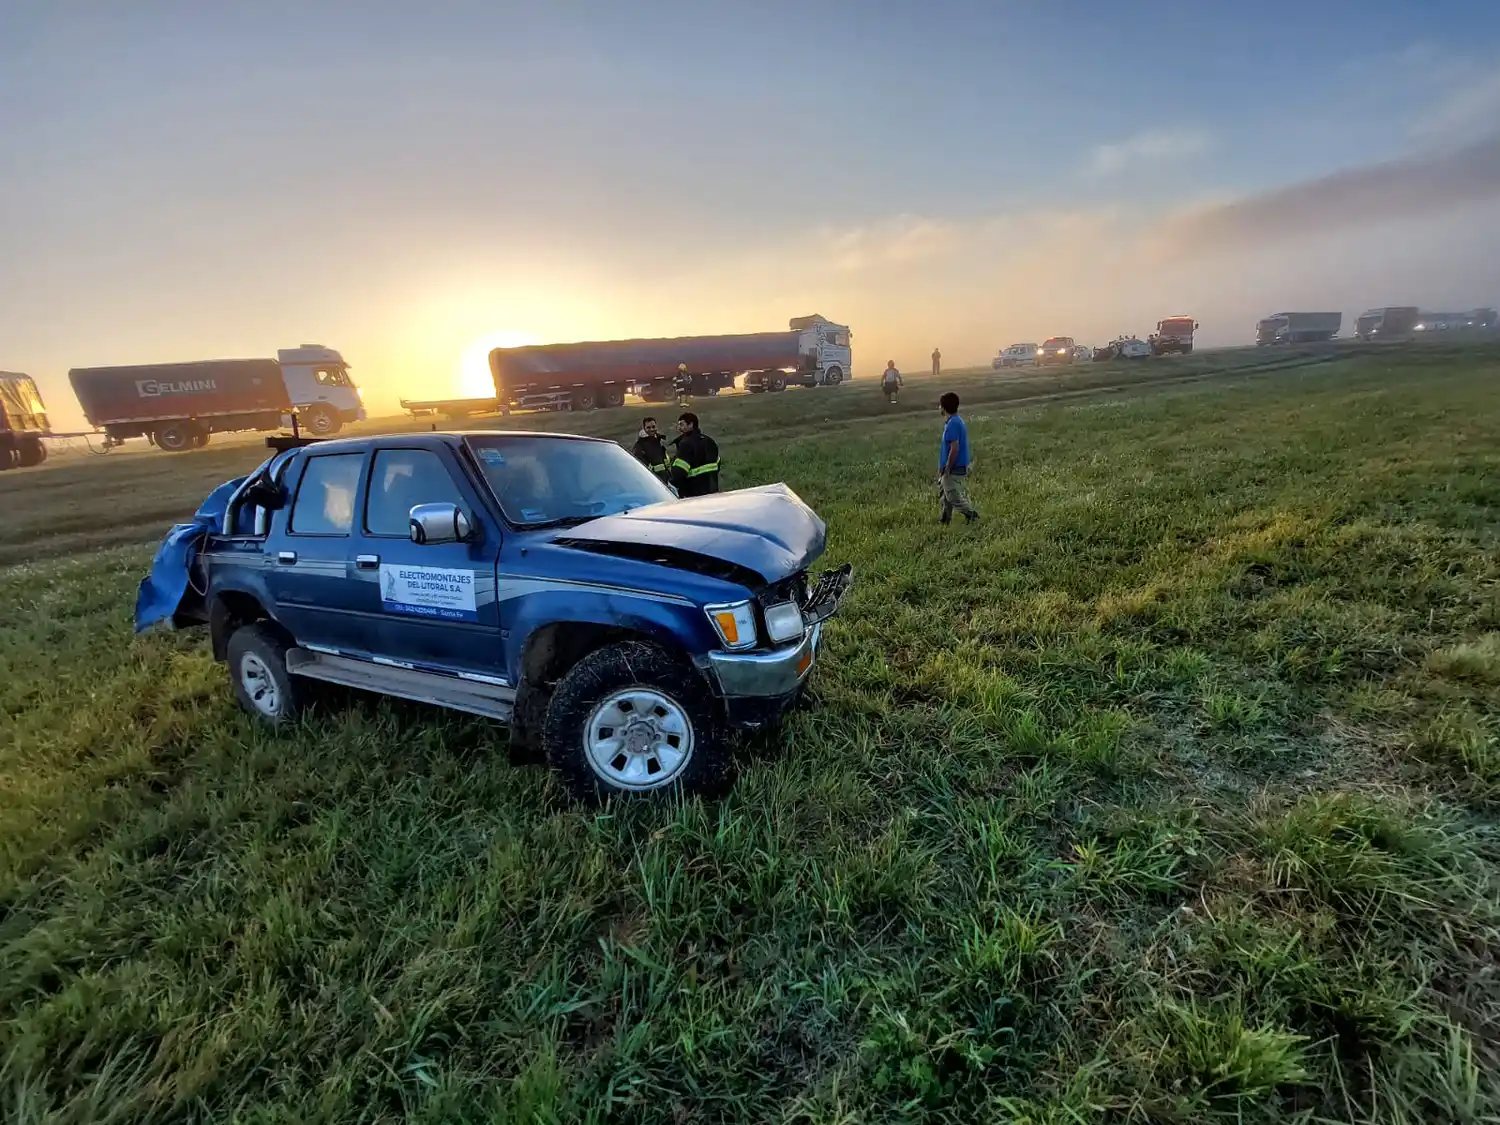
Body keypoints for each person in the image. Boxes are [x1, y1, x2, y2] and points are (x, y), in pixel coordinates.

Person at [937, 391, 979, 525]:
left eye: (940, 405)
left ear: (943, 408)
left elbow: (954, 448)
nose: (939, 408)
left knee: (953, 496)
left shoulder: (952, 424)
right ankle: (945, 520)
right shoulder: (956, 421)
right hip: (954, 467)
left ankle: (972, 516)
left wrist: (948, 468)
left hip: (954, 468)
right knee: (946, 496)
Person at [670, 412, 721, 497]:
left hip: (694, 493)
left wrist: (672, 483)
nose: (679, 428)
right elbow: (717, 464)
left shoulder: (686, 444)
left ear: (691, 424)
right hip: (713, 490)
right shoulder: (710, 441)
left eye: (682, 425)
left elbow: (679, 471)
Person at [630, 416, 671, 483]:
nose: (651, 429)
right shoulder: (640, 445)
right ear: (644, 429)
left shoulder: (658, 441)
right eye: (648, 427)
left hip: (665, 479)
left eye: (653, 427)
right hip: (653, 481)